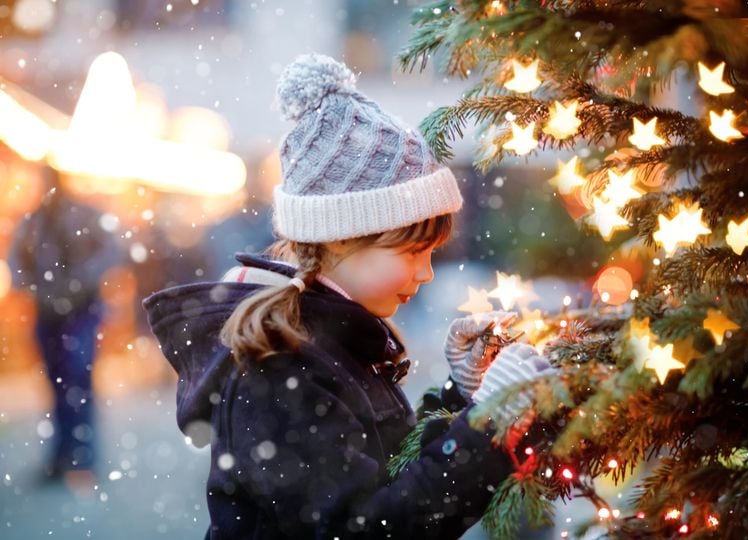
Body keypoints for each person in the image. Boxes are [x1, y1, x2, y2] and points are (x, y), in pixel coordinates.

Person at [143, 54, 553, 539]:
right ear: (341, 237)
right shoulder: (278, 370)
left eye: (433, 254)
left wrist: (458, 398)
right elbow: (369, 527)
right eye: (411, 251)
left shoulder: (327, 340)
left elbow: (382, 464)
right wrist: (487, 424)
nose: (424, 274)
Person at [8, 166, 120, 482]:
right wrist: (36, 289)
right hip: (48, 312)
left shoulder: (83, 216)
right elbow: (16, 262)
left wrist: (76, 285)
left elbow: (109, 254)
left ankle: (81, 458)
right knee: (58, 384)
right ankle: (63, 455)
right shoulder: (33, 221)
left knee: (76, 381)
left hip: (80, 311)